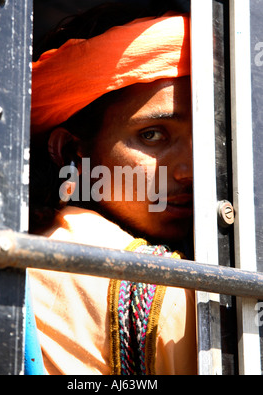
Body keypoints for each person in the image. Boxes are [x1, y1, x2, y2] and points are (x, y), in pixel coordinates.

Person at [28, 2, 197, 375]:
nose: (189, 171)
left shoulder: (24, 242)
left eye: (206, 138)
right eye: (152, 135)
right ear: (72, 151)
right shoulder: (161, 290)